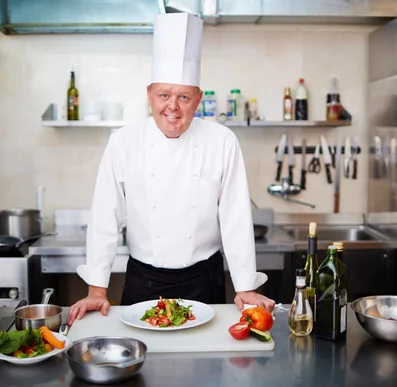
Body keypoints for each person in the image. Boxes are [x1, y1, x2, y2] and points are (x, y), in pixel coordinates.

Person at [67, 13, 275, 326]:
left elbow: (234, 216)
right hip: (143, 279)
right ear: (149, 94)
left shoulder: (222, 141)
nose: (172, 108)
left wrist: (245, 286)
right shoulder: (124, 142)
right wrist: (98, 288)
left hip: (205, 278)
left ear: (199, 99)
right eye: (164, 95)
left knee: (206, 365)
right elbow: (105, 216)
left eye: (183, 97)